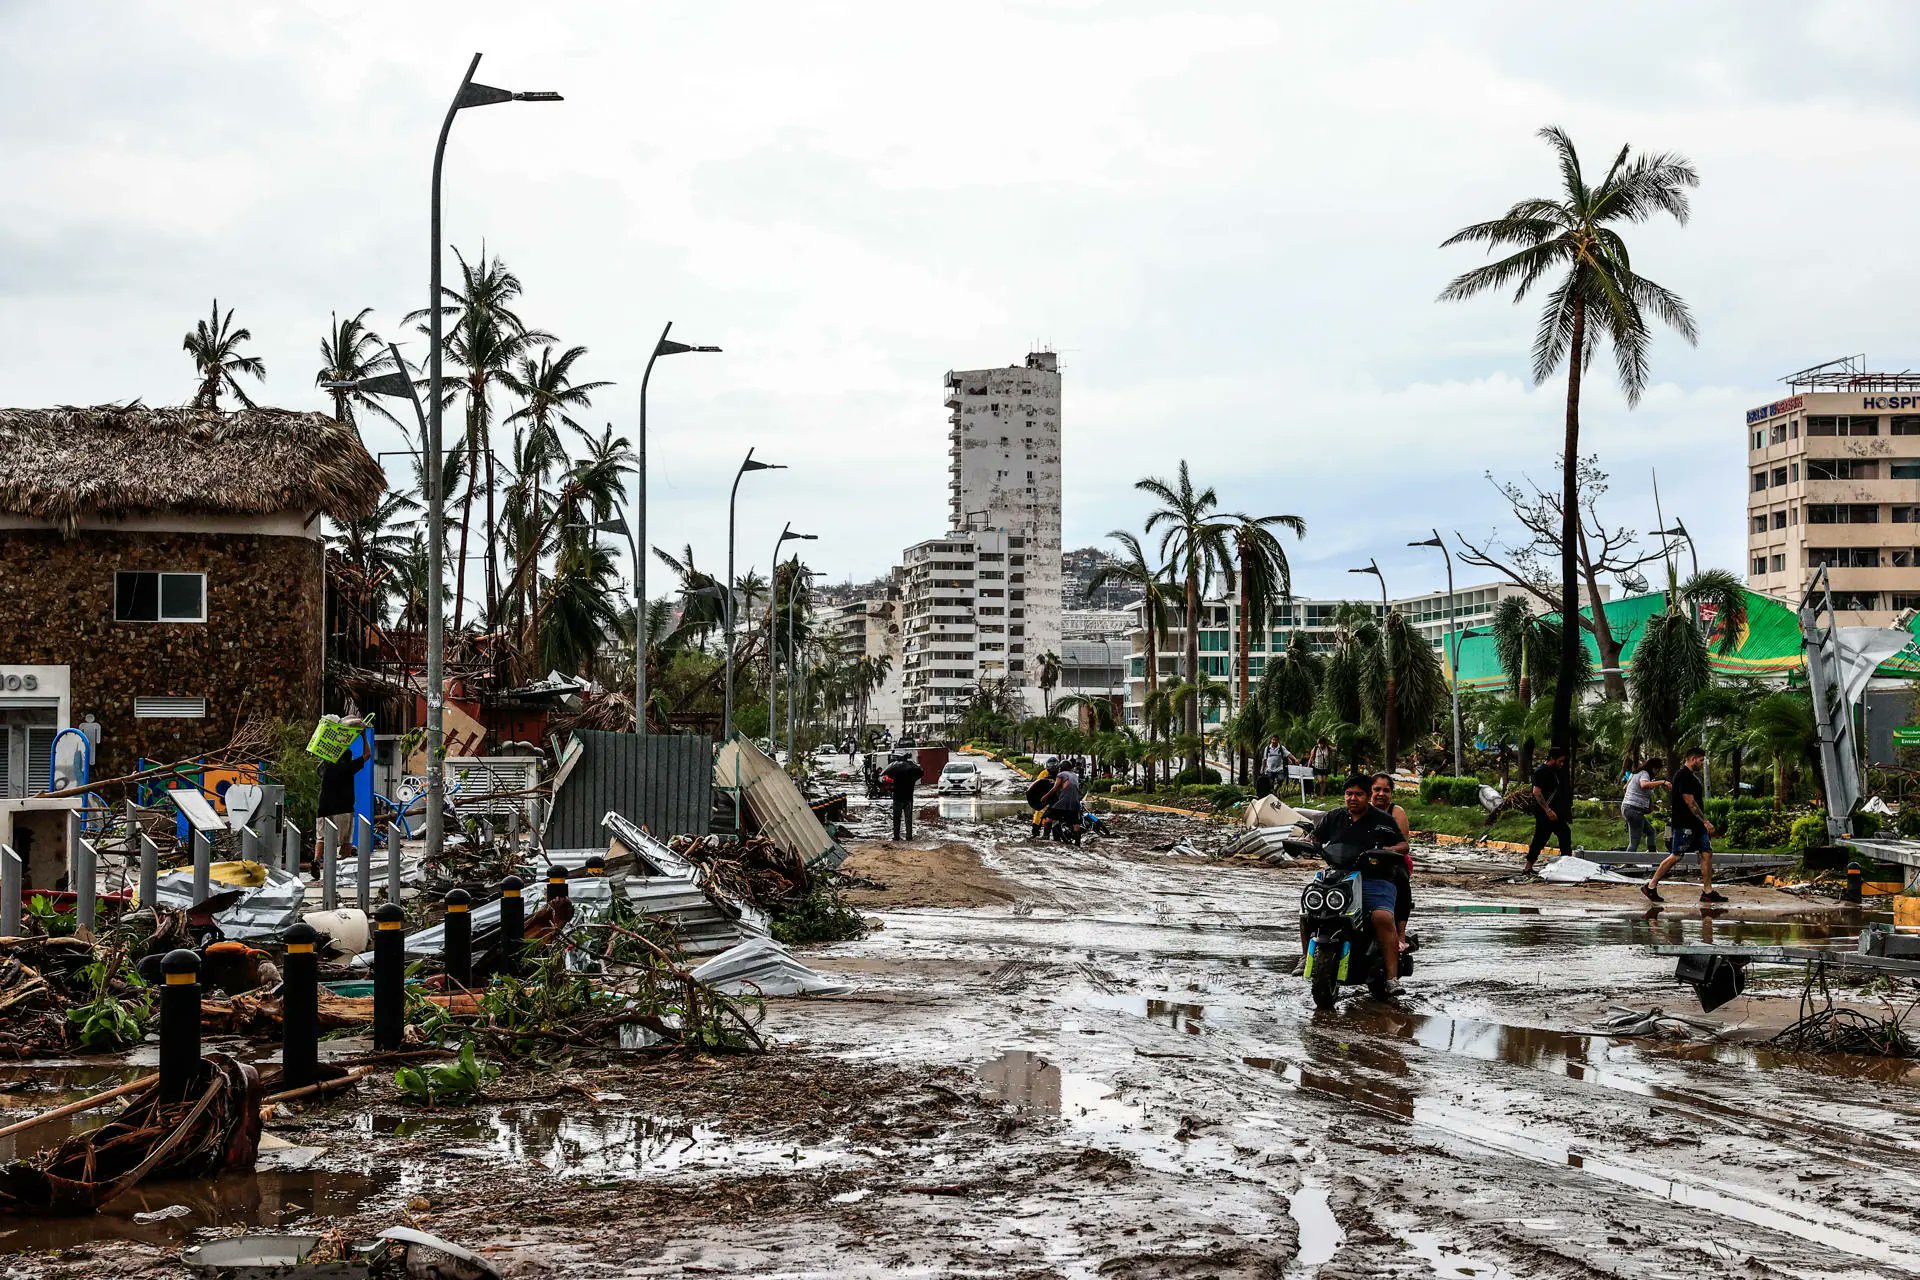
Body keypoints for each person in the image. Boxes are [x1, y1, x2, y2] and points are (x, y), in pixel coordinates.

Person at [1297, 777, 1412, 996]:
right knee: (1307, 911)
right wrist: (1306, 845)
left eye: (1358, 794)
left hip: (1375, 878)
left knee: (1382, 917)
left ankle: (1391, 978)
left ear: (1367, 796)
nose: (1353, 798)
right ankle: (1304, 957)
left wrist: (1389, 851)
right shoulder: (1334, 817)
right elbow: (1314, 837)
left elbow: (1403, 844)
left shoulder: (1382, 820)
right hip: (1337, 876)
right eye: (1349, 793)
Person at [1645, 745, 1723, 904]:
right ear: (1693, 759)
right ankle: (1651, 886)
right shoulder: (1683, 776)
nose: (1702, 763)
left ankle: (1707, 892)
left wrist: (1702, 823)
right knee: (1676, 855)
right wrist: (1706, 821)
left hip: (1696, 825)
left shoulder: (1691, 777)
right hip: (1685, 824)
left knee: (1707, 853)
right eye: (1701, 761)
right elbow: (1691, 803)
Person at [1370, 773, 1414, 950]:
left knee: (1401, 880)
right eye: (1377, 789)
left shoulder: (1397, 812)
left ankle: (1401, 934)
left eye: (1386, 790)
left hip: (1392, 860)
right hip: (1363, 859)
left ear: (1391, 794)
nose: (1381, 794)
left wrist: (1384, 850)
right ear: (1370, 791)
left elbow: (1404, 846)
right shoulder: (1361, 808)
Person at [315, 728, 368, 866]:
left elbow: (322, 756)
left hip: (323, 807)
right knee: (346, 839)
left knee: (321, 837)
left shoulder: (326, 767)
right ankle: (341, 863)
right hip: (343, 808)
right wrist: (363, 736)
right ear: (348, 758)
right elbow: (367, 754)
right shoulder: (349, 768)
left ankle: (316, 860)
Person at [1525, 744, 1572, 874]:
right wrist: (1548, 810)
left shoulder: (1553, 771)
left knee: (1564, 833)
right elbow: (1536, 792)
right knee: (1541, 838)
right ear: (1552, 758)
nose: (1562, 764)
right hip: (1545, 813)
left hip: (1553, 812)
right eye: (1560, 761)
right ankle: (1528, 867)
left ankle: (1566, 863)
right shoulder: (1542, 771)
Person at [1621, 757, 1668, 854]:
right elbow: (1644, 785)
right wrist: (1662, 782)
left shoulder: (1635, 774)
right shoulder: (1644, 774)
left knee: (1651, 832)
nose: (1657, 773)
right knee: (1634, 841)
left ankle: (1652, 855)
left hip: (1628, 807)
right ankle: (1628, 863)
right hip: (1634, 810)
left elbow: (1625, 788)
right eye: (1657, 770)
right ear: (1654, 768)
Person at [881, 750, 924, 841]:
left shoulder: (895, 770)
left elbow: (887, 779)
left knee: (896, 819)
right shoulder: (913, 770)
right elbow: (921, 773)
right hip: (908, 799)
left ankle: (896, 836)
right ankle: (909, 836)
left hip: (897, 798)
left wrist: (890, 787)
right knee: (908, 819)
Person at [1043, 761, 1084, 842]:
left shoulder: (1061, 775)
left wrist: (1044, 797)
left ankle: (1045, 837)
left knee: (1049, 816)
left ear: (1060, 768)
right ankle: (1077, 842)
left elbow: (1054, 789)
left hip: (1064, 801)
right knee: (1075, 822)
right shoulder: (1075, 775)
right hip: (1076, 802)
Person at [1025, 764, 1056, 839]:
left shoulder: (1059, 774)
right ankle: (1036, 832)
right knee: (1039, 814)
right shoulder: (1043, 774)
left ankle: (1050, 833)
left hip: (1053, 796)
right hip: (1044, 796)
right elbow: (1037, 785)